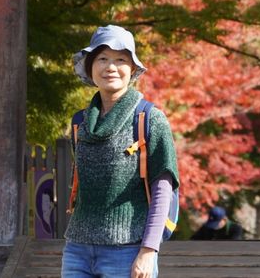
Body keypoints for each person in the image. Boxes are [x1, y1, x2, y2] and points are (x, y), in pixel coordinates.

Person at [61, 25, 179, 278]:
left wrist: (149, 250)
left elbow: (163, 188)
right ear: (90, 66)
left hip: (128, 250)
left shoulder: (150, 119)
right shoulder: (79, 122)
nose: (110, 67)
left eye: (120, 60)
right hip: (77, 250)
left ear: (133, 69)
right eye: (102, 59)